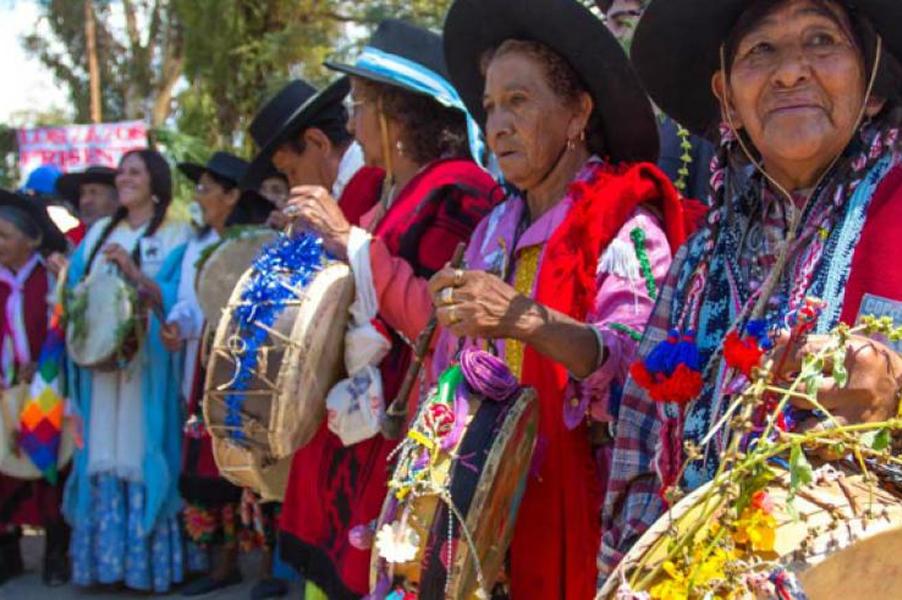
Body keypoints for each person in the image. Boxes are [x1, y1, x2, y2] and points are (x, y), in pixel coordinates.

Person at [602, 0, 902, 583]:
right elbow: (641, 453)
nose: (790, 71)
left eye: (821, 40)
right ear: (727, 100)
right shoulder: (699, 264)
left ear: (871, 86)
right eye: (760, 50)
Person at [424, 1, 693, 597]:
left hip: (580, 505)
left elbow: (638, 373)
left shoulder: (623, 224)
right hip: (484, 507)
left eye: (518, 101)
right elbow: (458, 371)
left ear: (578, 111)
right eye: (490, 106)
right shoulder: (493, 229)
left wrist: (526, 321)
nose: (496, 123)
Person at [277, 19, 498, 599]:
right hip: (357, 432)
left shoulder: (460, 189)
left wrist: (350, 240)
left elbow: (436, 318)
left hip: (407, 430)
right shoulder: (384, 194)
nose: (350, 124)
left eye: (359, 106)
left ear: (397, 116)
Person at [64, 149, 193, 593]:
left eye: (134, 172)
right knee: (102, 447)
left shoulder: (178, 235)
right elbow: (75, 298)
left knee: (144, 449)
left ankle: (149, 567)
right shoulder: (99, 233)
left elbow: (180, 298)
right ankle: (106, 566)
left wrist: (136, 275)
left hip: (150, 367)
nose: (124, 179)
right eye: (121, 172)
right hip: (103, 373)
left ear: (156, 181)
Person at [153, 151, 272, 596]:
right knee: (207, 461)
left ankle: (264, 565)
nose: (199, 197)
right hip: (206, 359)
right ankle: (222, 561)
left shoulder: (259, 242)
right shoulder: (200, 248)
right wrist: (177, 326)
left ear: (231, 195)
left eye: (205, 188)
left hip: (244, 362)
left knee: (251, 460)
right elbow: (190, 303)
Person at [0, 189, 69, 586]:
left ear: (31, 240)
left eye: (5, 236)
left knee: (49, 470)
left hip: (46, 389)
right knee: (4, 467)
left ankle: (55, 555)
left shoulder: (50, 279)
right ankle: (8, 553)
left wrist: (41, 367)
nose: (0, 244)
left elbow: (63, 330)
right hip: (6, 388)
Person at [243, 78, 372, 230]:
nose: (293, 187)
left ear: (318, 142)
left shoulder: (374, 182)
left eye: (292, 171)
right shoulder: (342, 191)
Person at [55, 166, 120, 229]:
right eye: (82, 193)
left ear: (117, 200)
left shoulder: (126, 236)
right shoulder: (72, 238)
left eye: (94, 193)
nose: (85, 201)